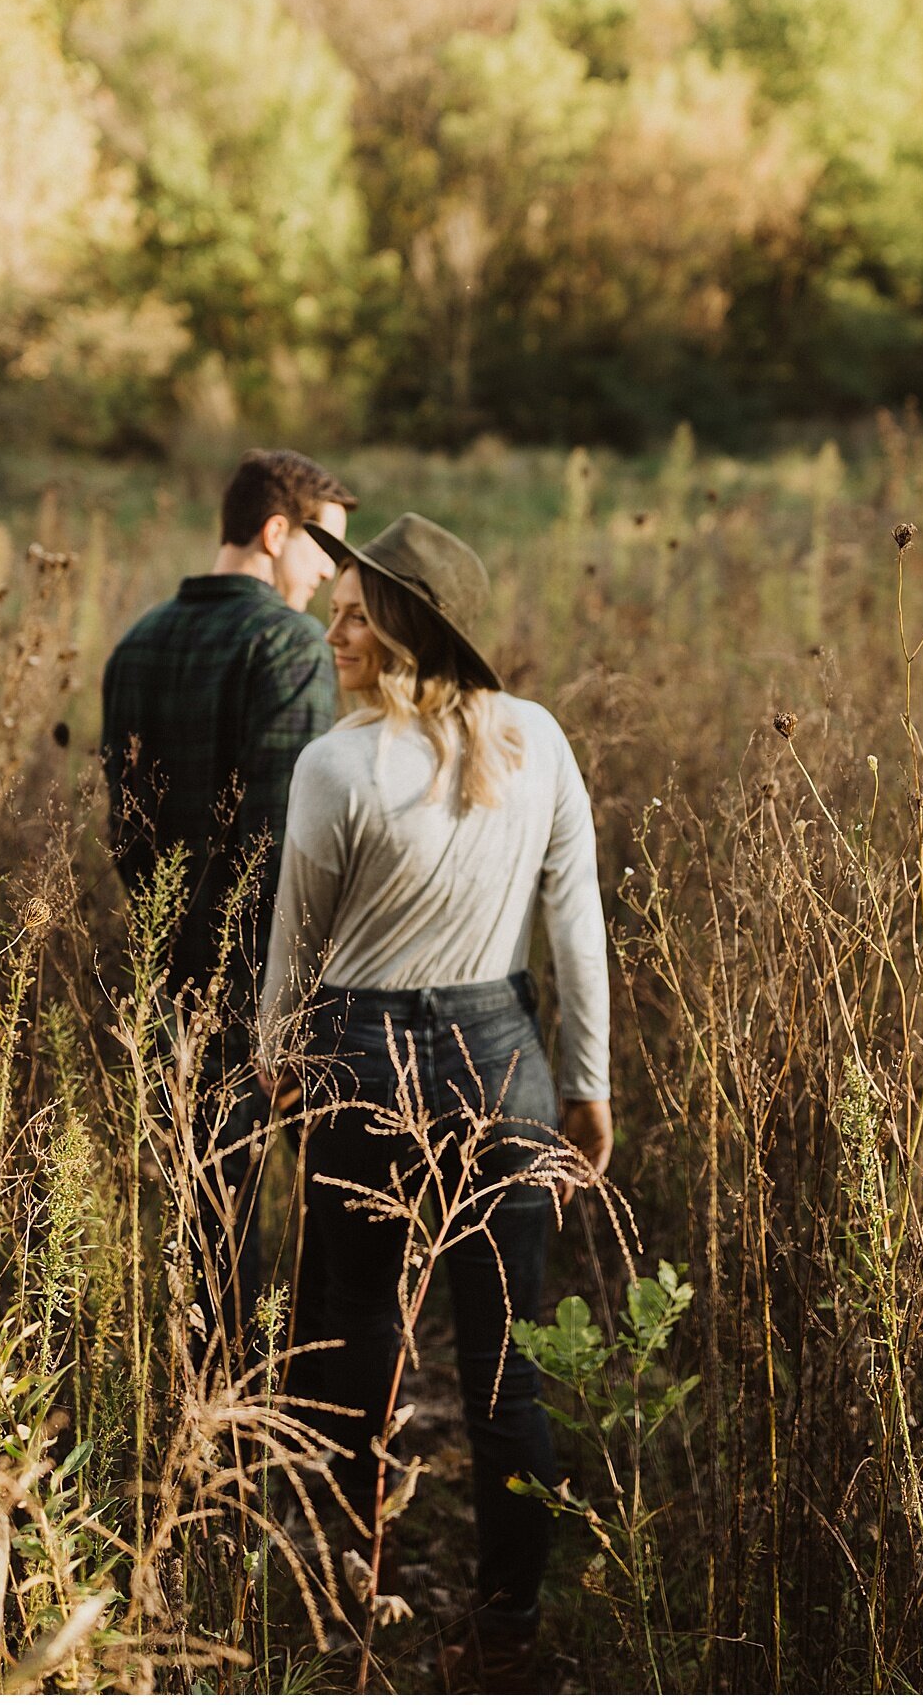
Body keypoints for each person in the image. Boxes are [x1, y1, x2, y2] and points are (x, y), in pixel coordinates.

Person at [260, 512, 613, 1687]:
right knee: (507, 1360)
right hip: (502, 1055)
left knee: (353, 1333)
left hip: (358, 1057)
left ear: (405, 622)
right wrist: (586, 1083)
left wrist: (276, 1057)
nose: (334, 624)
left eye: (357, 607)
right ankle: (508, 1621)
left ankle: (346, 1595)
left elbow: (293, 951)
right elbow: (577, 927)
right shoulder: (540, 739)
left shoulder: (336, 764)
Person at [102, 447, 356, 1365]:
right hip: (271, 975)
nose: (332, 581)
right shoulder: (288, 645)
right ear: (276, 531)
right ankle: (314, 1418)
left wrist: (176, 955)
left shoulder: (135, 642)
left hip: (171, 972)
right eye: (326, 554)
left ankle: (217, 1442)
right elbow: (285, 839)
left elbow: (127, 833)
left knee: (212, 1217)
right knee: (339, 1209)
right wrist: (284, 1003)